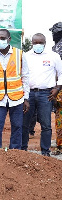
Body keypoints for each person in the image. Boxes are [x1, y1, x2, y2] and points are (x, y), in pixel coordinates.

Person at [0, 29, 30, 149]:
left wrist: (26, 98)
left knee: (17, 126)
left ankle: (15, 152)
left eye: (3, 38)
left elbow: (25, 77)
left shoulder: (20, 54)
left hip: (17, 98)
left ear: (9, 39)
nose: (0, 40)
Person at [22, 33, 62, 156]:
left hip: (47, 94)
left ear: (45, 43)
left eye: (40, 43)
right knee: (24, 123)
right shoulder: (26, 56)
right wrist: (23, 95)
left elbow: (61, 73)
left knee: (46, 124)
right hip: (29, 94)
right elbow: (21, 75)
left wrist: (57, 89)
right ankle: (23, 150)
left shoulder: (53, 56)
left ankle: (45, 151)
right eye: (35, 43)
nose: (37, 45)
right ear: (32, 43)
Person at [50, 22, 62, 154]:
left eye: (54, 32)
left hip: (59, 89)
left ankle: (60, 144)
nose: (53, 34)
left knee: (60, 117)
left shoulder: (58, 48)